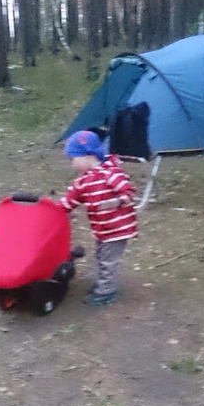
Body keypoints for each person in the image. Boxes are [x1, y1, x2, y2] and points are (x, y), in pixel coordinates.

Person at [59, 130, 138, 306]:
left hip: (117, 228)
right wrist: (56, 211)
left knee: (107, 260)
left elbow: (128, 191)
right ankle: (104, 283)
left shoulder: (110, 172)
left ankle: (106, 291)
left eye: (73, 159)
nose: (72, 164)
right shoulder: (83, 180)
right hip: (102, 229)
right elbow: (70, 199)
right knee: (101, 256)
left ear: (87, 156)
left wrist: (117, 201)